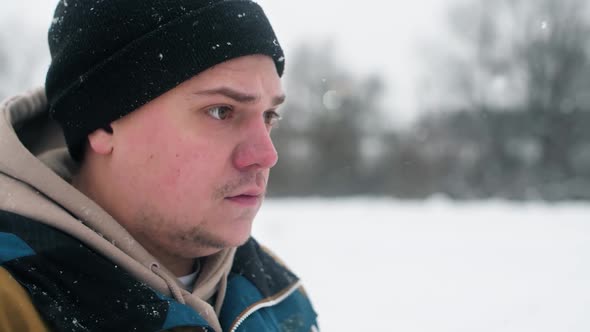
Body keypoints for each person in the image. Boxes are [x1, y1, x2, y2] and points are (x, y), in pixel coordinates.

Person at [0, 0, 318, 331]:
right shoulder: (14, 302)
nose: (266, 155)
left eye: (269, 116)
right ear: (104, 122)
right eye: (221, 111)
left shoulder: (277, 294)